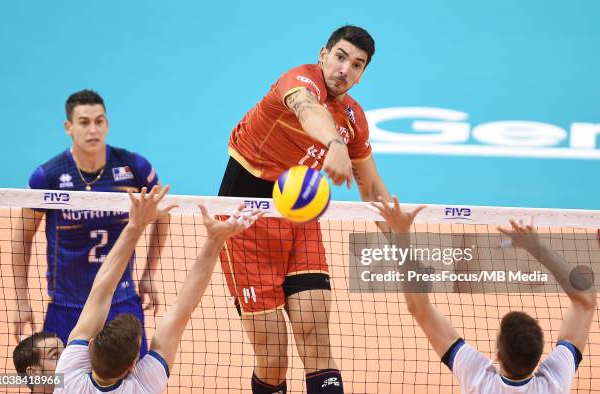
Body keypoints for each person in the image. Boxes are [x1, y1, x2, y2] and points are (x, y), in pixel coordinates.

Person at [218, 25, 392, 393]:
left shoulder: (353, 119)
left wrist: (400, 236)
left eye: (357, 65)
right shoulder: (297, 81)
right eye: (340, 57)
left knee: (315, 336)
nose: (345, 69)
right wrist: (333, 143)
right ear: (323, 55)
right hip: (245, 221)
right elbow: (307, 107)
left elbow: (372, 186)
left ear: (362, 74)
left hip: (299, 219)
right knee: (273, 357)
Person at [372, 195, 597, 393]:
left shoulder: (478, 380)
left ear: (497, 355)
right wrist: (537, 247)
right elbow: (585, 299)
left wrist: (401, 236)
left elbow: (418, 307)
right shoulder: (554, 384)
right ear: (539, 357)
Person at [54, 185, 262, 393]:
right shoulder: (143, 386)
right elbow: (178, 310)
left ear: (90, 347)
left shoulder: (68, 377)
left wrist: (135, 225)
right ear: (132, 367)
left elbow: (103, 291)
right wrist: (215, 239)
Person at [11, 89, 168, 356]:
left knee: (132, 380)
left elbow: (162, 214)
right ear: (68, 127)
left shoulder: (133, 168)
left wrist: (149, 274)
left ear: (107, 124)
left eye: (99, 121)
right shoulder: (48, 176)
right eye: (84, 122)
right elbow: (22, 237)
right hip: (67, 305)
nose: (93, 129)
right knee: (61, 383)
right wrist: (20, 300)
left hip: (121, 301)